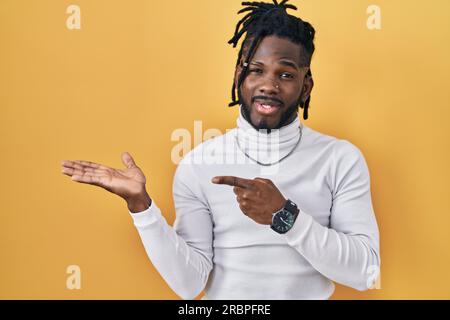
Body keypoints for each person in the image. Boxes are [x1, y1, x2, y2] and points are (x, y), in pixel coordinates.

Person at [61, 0, 380, 300]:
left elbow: (365, 271)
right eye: (255, 69)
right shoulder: (199, 164)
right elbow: (189, 284)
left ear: (305, 86)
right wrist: (141, 206)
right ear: (238, 75)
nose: (268, 84)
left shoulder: (340, 159)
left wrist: (284, 217)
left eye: (285, 74)